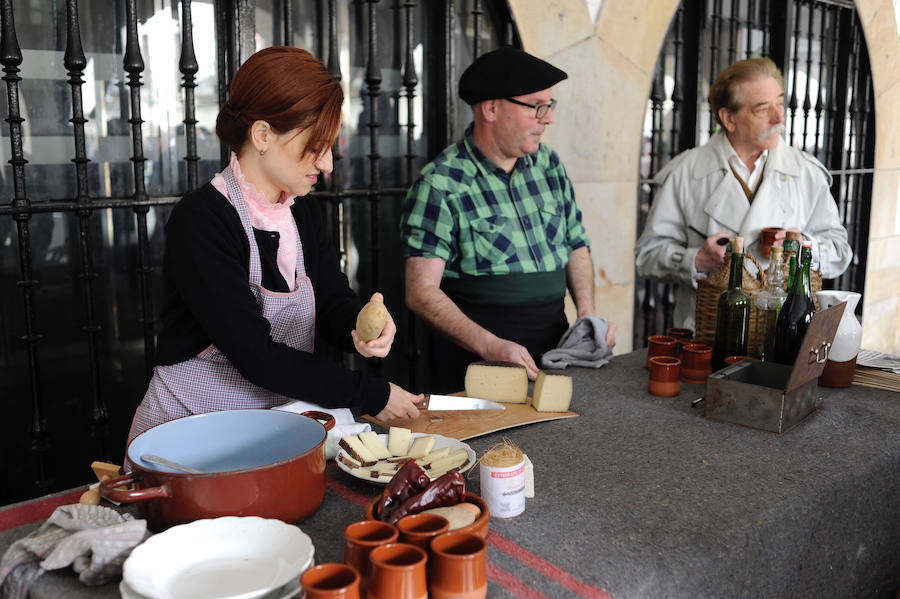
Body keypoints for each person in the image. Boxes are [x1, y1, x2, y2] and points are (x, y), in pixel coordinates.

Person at [127, 46, 422, 446]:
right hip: (190, 431)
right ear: (263, 134)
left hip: (270, 425)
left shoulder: (303, 213)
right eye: (314, 147)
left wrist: (359, 326)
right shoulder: (201, 220)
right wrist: (371, 393)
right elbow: (255, 354)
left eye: (331, 147)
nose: (327, 165)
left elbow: (331, 300)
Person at [400, 47, 616, 392]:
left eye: (550, 106)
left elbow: (576, 244)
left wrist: (587, 316)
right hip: (477, 363)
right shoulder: (441, 182)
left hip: (555, 348)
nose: (548, 118)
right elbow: (421, 292)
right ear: (491, 108)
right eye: (537, 107)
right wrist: (489, 345)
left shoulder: (548, 164)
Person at [635, 57, 852, 331]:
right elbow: (647, 256)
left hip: (782, 336)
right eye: (763, 108)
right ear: (729, 118)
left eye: (780, 102)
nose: (779, 116)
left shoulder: (806, 173)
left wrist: (804, 248)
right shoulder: (685, 173)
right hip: (707, 335)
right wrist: (696, 261)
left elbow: (840, 251)